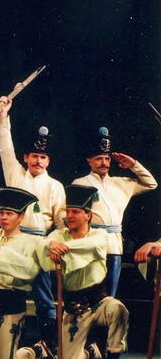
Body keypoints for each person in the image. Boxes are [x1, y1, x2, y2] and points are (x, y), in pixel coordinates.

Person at [0, 96, 65, 347]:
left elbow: (61, 222)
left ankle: (49, 345)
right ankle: (11, 342)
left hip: (40, 243)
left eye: (43, 157)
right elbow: (6, 149)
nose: (38, 161)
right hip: (15, 241)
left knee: (44, 298)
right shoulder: (14, 174)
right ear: (26, 157)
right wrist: (3, 117)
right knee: (12, 292)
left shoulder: (55, 186)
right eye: (34, 156)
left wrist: (53, 244)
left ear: (49, 161)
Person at [37, 185, 128, 359]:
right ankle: (90, 353)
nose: (69, 216)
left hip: (99, 303)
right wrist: (49, 245)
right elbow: (41, 247)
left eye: (75, 212)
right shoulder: (59, 234)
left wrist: (59, 248)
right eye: (68, 211)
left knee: (118, 309)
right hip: (74, 308)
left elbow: (90, 246)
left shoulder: (100, 235)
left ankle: (112, 356)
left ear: (88, 215)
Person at [72, 126, 156, 297]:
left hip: (114, 244)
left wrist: (133, 165)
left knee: (110, 293)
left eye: (107, 159)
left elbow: (151, 183)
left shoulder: (121, 183)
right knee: (90, 290)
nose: (104, 163)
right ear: (89, 161)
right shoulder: (80, 183)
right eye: (99, 159)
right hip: (90, 241)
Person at [0, 187, 43, 359]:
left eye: (9, 214)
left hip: (11, 303)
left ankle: (30, 355)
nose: (4, 217)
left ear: (21, 217)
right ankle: (31, 353)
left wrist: (4, 253)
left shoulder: (29, 241)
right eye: (1, 213)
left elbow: (30, 271)